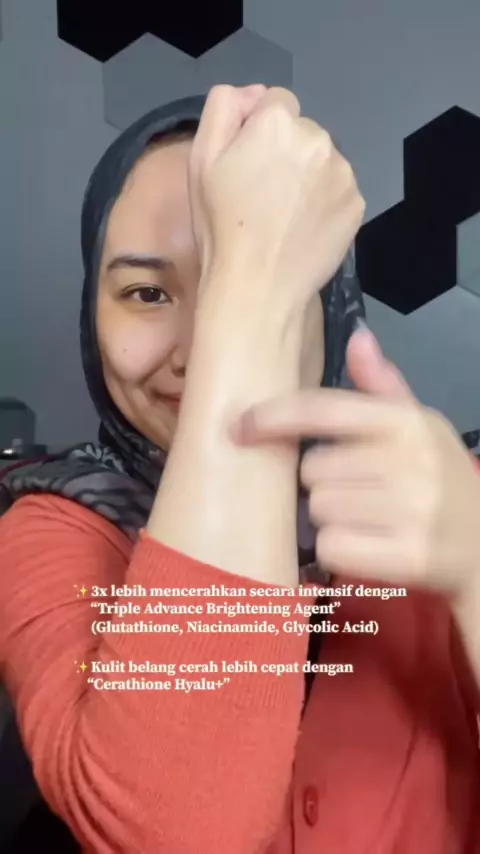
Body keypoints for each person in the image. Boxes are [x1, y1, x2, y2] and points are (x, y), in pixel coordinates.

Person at [0, 84, 480, 854]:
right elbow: (182, 834)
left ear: (336, 308)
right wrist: (252, 292)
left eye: (279, 277)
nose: (202, 354)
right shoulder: (51, 533)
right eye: (147, 292)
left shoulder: (458, 497)